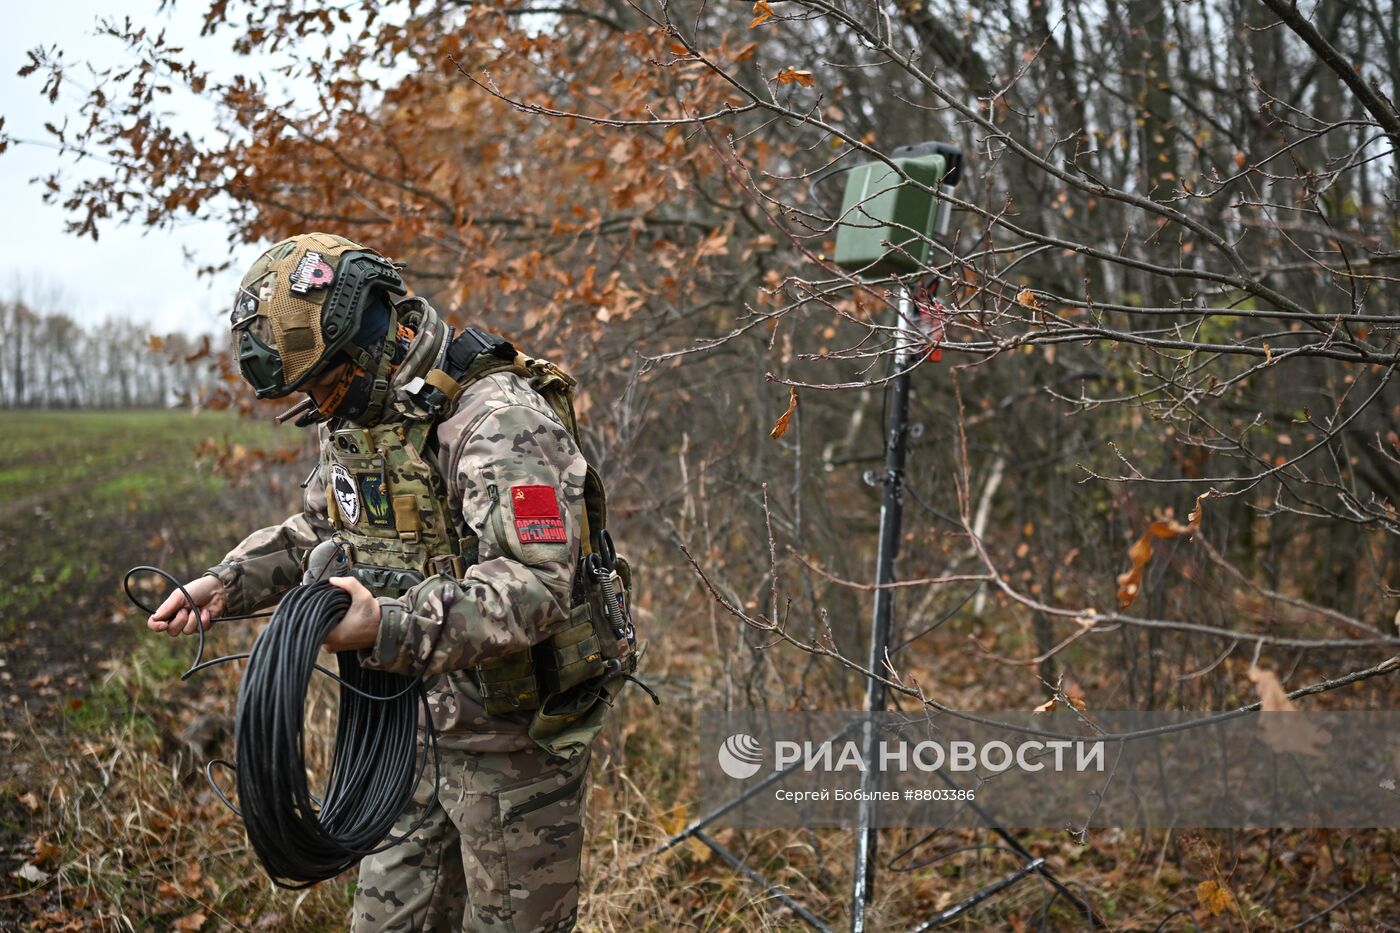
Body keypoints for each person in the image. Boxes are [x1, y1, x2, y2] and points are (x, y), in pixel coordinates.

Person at [146, 232, 604, 932]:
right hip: (406, 735)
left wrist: (387, 626)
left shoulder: (497, 420)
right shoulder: (360, 415)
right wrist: (229, 581)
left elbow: (535, 586)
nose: (320, 407)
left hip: (514, 756)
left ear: (371, 338)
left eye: (324, 384)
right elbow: (322, 530)